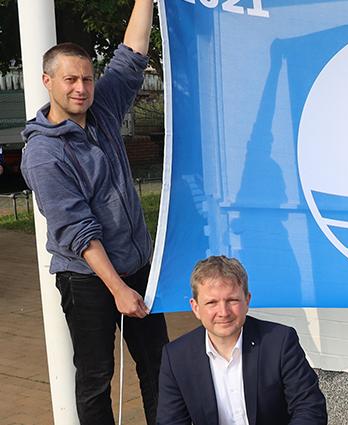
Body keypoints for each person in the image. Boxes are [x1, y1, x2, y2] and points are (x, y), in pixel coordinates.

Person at [20, 1, 167, 423]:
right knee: (97, 375)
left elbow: (132, 55)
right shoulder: (44, 155)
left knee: (159, 365)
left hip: (136, 265)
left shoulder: (100, 110)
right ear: (48, 82)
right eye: (70, 79)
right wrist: (118, 288)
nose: (80, 87)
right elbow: (79, 232)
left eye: (86, 78)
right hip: (88, 280)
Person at [157, 255, 327, 424]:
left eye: (232, 300)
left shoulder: (280, 341)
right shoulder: (176, 357)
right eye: (212, 303)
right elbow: (170, 421)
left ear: (247, 300)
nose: (223, 312)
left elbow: (310, 408)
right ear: (195, 308)